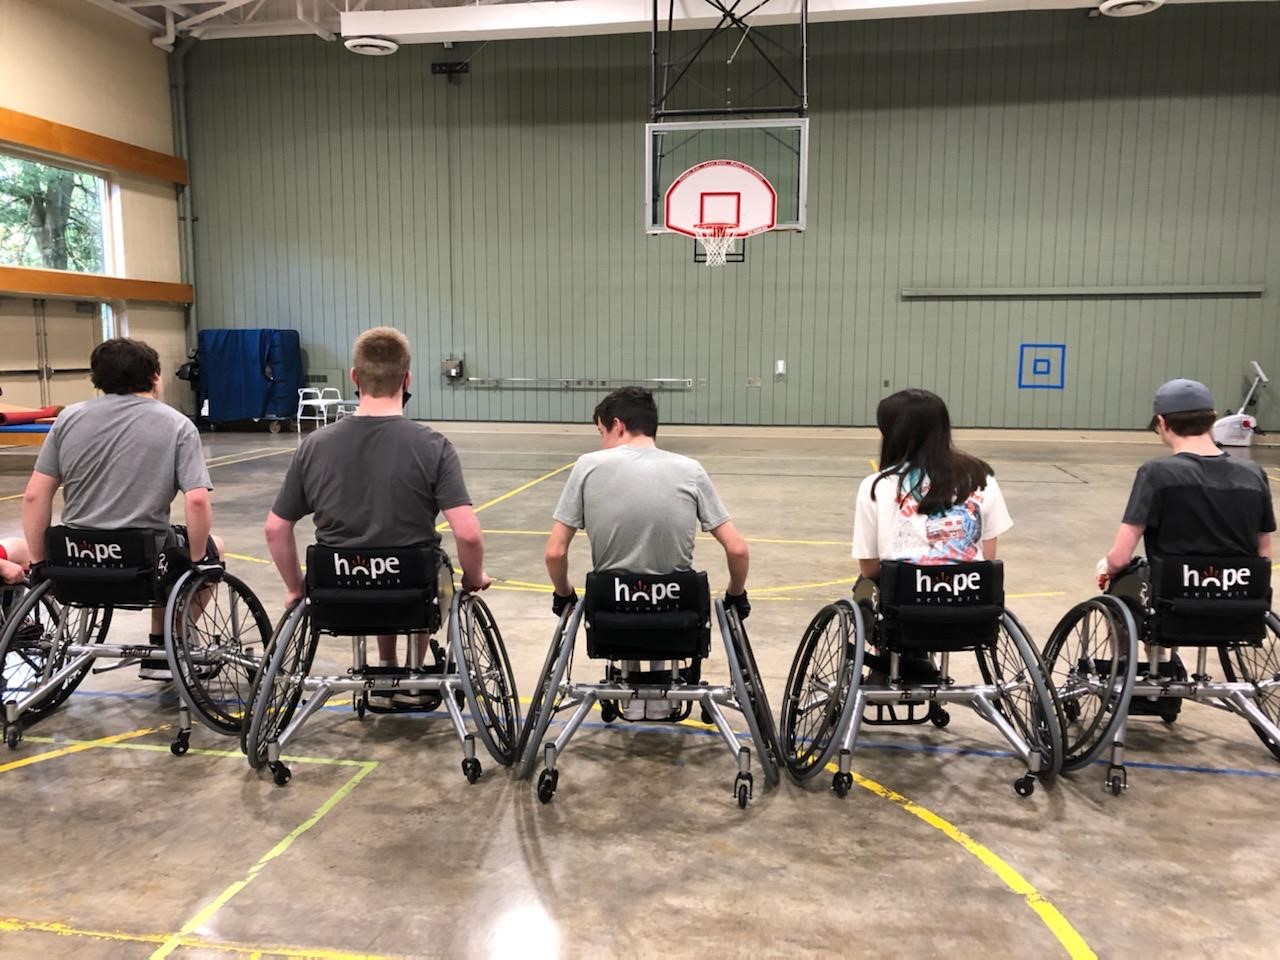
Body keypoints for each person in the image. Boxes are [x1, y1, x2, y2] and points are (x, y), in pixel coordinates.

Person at [264, 327, 489, 708]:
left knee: (376, 564)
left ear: (354, 377)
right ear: (408, 379)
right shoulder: (432, 446)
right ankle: (413, 676)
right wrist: (474, 576)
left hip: (339, 588)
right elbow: (467, 534)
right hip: (410, 589)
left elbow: (276, 528)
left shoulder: (315, 446)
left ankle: (384, 670)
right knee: (424, 564)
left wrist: (296, 587)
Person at [544, 387, 750, 719]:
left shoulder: (587, 466)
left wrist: (563, 595)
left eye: (601, 433)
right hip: (678, 613)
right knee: (664, 589)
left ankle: (632, 691)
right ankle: (661, 693)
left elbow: (555, 553)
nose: (601, 442)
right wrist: (735, 595)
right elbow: (738, 549)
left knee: (624, 589)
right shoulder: (690, 469)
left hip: (612, 613)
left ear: (617, 424)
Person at [20, 338, 219, 680]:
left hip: (74, 559)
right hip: (140, 562)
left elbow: (35, 497)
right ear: (155, 376)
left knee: (166, 547)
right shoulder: (176, 424)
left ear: (97, 378)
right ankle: (165, 644)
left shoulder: (68, 420)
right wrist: (198, 560)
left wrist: (39, 564)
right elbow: (197, 500)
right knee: (194, 553)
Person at [1097, 378, 1274, 591]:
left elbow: (1120, 559)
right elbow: (1264, 554)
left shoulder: (1156, 473)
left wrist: (1108, 567)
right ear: (1212, 421)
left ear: (1162, 423)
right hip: (1242, 603)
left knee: (1117, 578)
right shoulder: (1253, 474)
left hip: (1174, 605)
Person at [853, 388, 1013, 579]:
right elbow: (987, 556)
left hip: (905, 600)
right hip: (970, 597)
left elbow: (869, 569)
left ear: (894, 434)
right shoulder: (981, 477)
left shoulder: (876, 486)